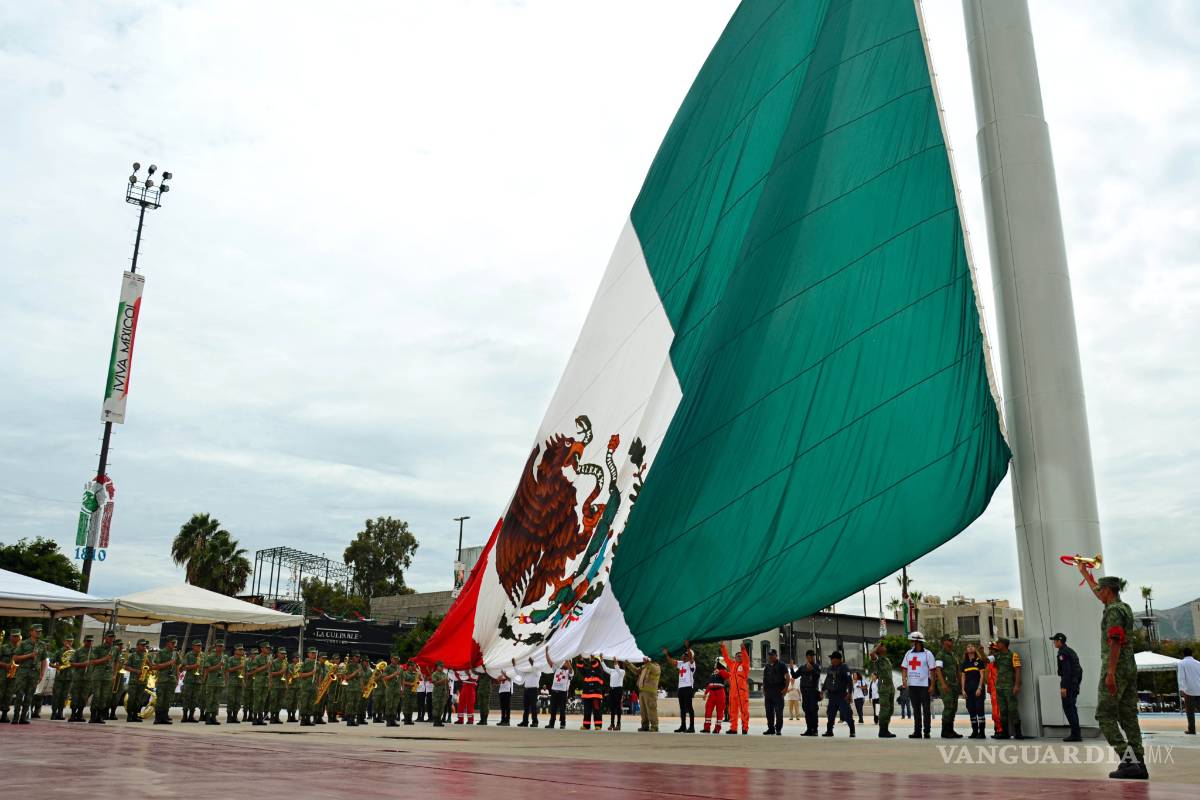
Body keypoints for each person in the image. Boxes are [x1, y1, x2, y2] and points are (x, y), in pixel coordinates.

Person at [1079, 568, 1147, 780]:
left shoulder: (1113, 612)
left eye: (1101, 589)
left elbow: (1115, 641)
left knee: (1105, 715)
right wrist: (1085, 574)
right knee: (1128, 716)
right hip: (1128, 667)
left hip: (1115, 666)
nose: (1098, 593)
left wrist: (1110, 672)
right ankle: (1139, 763)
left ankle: (1128, 760)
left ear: (1108, 590)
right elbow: (1097, 592)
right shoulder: (1124, 607)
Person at [901, 631, 936, 739]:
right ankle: (917, 731)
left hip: (925, 686)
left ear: (918, 641)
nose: (912, 643)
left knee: (926, 709)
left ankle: (927, 731)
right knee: (916, 709)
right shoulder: (909, 653)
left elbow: (933, 671)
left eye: (913, 641)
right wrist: (904, 679)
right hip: (913, 686)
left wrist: (932, 685)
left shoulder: (928, 654)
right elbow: (904, 668)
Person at [10, 623, 46, 725]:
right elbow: (15, 658)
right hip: (23, 672)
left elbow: (43, 660)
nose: (38, 633)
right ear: (31, 632)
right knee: (19, 694)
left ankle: (23, 717)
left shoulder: (42, 645)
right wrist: (29, 655)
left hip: (34, 673)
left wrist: (41, 674)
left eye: (40, 631)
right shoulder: (23, 643)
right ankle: (16, 717)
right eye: (36, 631)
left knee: (29, 696)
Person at [1051, 632, 1083, 741]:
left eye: (1055, 641)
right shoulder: (1070, 651)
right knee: (1071, 707)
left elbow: (1066, 671)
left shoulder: (1063, 653)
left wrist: (1064, 687)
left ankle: (1075, 734)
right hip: (1073, 683)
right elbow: (1078, 670)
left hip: (1068, 684)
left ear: (1060, 641)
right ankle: (1076, 733)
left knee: (1069, 708)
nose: (1054, 643)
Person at [991, 637, 1024, 740]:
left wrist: (1017, 685)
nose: (997, 645)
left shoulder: (1013, 655)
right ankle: (1005, 733)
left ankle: (1018, 733)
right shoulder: (997, 656)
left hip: (1009, 687)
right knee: (1003, 710)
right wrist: (981, 652)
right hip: (999, 687)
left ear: (1004, 644)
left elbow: (1018, 670)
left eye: (998, 643)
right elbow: (986, 660)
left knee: (1012, 709)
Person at [718, 640, 751, 734]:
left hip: (742, 692)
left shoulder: (745, 666)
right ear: (735, 658)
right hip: (733, 692)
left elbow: (746, 659)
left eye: (741, 656)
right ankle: (733, 728)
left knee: (744, 711)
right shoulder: (732, 665)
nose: (740, 657)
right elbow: (726, 657)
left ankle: (745, 728)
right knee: (732, 711)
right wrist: (722, 647)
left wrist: (743, 649)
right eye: (738, 656)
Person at [662, 643, 697, 733]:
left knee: (689, 707)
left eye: (685, 655)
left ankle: (692, 727)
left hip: (688, 687)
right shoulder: (681, 664)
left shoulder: (691, 664)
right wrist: (666, 654)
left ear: (689, 656)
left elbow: (691, 656)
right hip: (681, 688)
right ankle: (683, 726)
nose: (683, 656)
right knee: (682, 708)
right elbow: (671, 661)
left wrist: (688, 647)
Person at [821, 650, 855, 737]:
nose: (831, 660)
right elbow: (827, 680)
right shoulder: (830, 668)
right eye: (831, 659)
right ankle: (829, 731)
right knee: (830, 714)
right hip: (832, 695)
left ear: (838, 659)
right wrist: (822, 690)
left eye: (833, 659)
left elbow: (849, 681)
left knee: (846, 713)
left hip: (841, 695)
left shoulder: (844, 668)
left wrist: (850, 693)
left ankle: (852, 730)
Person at [935, 634, 962, 739]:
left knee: (953, 708)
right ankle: (945, 731)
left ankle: (951, 730)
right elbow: (938, 670)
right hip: (946, 685)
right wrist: (943, 684)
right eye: (949, 640)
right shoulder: (940, 655)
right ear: (944, 642)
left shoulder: (954, 655)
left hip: (954, 685)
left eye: (952, 640)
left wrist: (960, 684)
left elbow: (957, 671)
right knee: (948, 707)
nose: (951, 642)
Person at [960, 642, 987, 739]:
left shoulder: (979, 661)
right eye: (968, 646)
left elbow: (982, 676)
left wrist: (979, 688)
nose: (970, 647)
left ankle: (982, 732)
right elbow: (963, 677)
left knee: (979, 709)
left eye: (972, 646)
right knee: (971, 709)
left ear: (975, 649)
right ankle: (974, 731)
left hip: (977, 689)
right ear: (966, 650)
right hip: (968, 690)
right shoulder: (965, 663)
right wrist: (963, 690)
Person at [88, 630, 116, 724]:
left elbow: (116, 662)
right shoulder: (98, 648)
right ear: (105, 637)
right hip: (98, 675)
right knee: (97, 696)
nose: (111, 639)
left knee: (104, 697)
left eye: (113, 637)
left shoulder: (115, 649)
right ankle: (93, 716)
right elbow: (92, 661)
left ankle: (100, 716)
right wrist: (105, 658)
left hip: (108, 676)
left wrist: (114, 673)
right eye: (109, 637)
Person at [150, 635, 179, 725]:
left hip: (171, 680)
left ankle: (164, 717)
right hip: (162, 680)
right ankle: (158, 718)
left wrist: (177, 677)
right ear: (167, 643)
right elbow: (156, 666)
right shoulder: (161, 653)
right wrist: (168, 663)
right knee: (160, 699)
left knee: (168, 700)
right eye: (172, 643)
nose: (174, 645)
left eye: (175, 643)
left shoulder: (175, 653)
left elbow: (178, 666)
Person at [629, 655, 661, 732]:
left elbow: (654, 670)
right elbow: (636, 671)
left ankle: (654, 726)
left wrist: (648, 662)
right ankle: (645, 725)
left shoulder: (656, 667)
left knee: (651, 710)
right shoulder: (645, 667)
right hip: (642, 692)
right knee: (643, 711)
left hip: (650, 693)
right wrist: (628, 663)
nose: (644, 659)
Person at [870, 642, 896, 738]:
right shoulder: (878, 659)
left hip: (890, 687)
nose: (884, 647)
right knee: (884, 709)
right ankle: (882, 730)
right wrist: (877, 646)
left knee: (890, 710)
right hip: (884, 687)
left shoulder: (887, 660)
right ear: (878, 649)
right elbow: (872, 653)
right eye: (882, 646)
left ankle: (886, 729)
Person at [760, 648, 788, 735]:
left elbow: (787, 677)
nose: (770, 657)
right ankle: (771, 729)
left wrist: (786, 688)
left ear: (776, 656)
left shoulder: (782, 665)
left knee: (779, 712)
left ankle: (778, 729)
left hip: (778, 691)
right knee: (769, 712)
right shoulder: (767, 666)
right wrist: (764, 689)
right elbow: (764, 679)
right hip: (768, 692)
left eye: (772, 655)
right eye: (769, 655)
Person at [794, 650, 821, 736]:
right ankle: (809, 729)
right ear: (807, 657)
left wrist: (812, 669)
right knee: (807, 710)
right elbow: (795, 676)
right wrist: (791, 668)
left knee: (813, 711)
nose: (811, 658)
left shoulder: (816, 666)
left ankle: (815, 730)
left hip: (813, 691)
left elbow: (817, 676)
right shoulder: (802, 667)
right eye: (810, 656)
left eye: (813, 656)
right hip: (804, 692)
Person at [575, 654, 606, 731]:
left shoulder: (599, 670)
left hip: (596, 695)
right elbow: (580, 668)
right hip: (587, 695)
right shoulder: (588, 670)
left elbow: (596, 665)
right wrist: (580, 660)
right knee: (587, 711)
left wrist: (593, 659)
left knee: (597, 711)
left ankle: (598, 725)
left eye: (594, 660)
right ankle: (586, 725)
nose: (592, 661)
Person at [49, 633, 76, 721]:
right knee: (56, 695)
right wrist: (56, 666)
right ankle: (53, 713)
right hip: (60, 677)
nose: (69, 643)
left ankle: (60, 713)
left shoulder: (74, 652)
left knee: (64, 696)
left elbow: (76, 663)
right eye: (68, 641)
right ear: (64, 642)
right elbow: (50, 663)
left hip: (69, 677)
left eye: (71, 641)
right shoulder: (59, 652)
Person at [122, 638, 149, 722]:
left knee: (139, 699)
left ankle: (136, 715)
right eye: (142, 645)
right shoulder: (133, 656)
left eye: (144, 645)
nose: (144, 647)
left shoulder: (146, 656)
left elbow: (152, 666)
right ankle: (130, 716)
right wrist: (136, 671)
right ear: (137, 646)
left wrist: (149, 665)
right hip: (134, 681)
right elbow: (125, 666)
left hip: (142, 681)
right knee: (132, 699)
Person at [702, 657, 730, 733]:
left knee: (720, 711)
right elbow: (709, 684)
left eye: (716, 663)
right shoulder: (713, 673)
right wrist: (705, 693)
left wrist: (721, 672)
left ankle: (717, 728)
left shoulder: (722, 671)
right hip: (712, 693)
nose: (715, 664)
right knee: (708, 710)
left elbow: (729, 676)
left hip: (720, 692)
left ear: (719, 663)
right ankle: (706, 728)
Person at [201, 640, 226, 725]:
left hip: (220, 682)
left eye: (221, 646)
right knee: (209, 700)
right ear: (216, 647)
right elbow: (207, 669)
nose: (220, 648)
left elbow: (225, 670)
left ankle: (214, 717)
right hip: (211, 682)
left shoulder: (224, 657)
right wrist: (218, 666)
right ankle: (207, 717)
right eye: (218, 646)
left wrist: (225, 681)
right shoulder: (210, 657)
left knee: (216, 701)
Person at [544, 655, 572, 729]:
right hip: (554, 692)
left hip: (563, 693)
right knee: (553, 709)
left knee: (562, 709)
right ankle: (551, 724)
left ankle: (562, 724)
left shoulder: (569, 672)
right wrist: (546, 653)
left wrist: (567, 660)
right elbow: (550, 663)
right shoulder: (557, 669)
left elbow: (571, 670)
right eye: (564, 662)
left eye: (566, 662)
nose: (564, 663)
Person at [180, 639, 204, 723]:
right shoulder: (189, 655)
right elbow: (184, 667)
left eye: (200, 646)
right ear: (193, 646)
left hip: (198, 680)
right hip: (189, 680)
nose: (199, 647)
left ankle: (191, 716)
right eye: (197, 646)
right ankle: (184, 716)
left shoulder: (202, 655)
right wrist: (194, 666)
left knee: (195, 699)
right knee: (187, 698)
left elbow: (204, 668)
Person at [1179, 647, 1200, 736]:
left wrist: (1182, 689)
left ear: (1183, 654)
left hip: (1189, 691)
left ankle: (1192, 730)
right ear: (1192, 654)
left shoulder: (1181, 663)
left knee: (1190, 712)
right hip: (1199, 689)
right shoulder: (1198, 663)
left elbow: (1181, 677)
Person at [297, 647, 320, 726]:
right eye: (312, 653)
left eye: (314, 653)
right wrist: (311, 673)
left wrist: (318, 685)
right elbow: (300, 675)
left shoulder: (317, 663)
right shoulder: (304, 663)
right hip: (305, 687)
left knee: (311, 703)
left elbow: (318, 675)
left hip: (313, 687)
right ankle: (303, 719)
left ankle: (308, 719)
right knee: (304, 703)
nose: (313, 654)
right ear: (308, 654)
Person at [601, 656, 625, 731]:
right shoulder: (612, 671)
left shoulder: (622, 672)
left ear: (619, 664)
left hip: (618, 690)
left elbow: (617, 669)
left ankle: (618, 724)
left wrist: (616, 662)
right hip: (612, 690)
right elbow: (605, 669)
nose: (614, 664)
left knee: (618, 707)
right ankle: (612, 724)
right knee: (612, 707)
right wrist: (602, 660)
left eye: (617, 662)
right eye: (614, 662)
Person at [225, 644, 246, 723]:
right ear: (235, 651)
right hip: (232, 682)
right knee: (231, 700)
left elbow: (244, 671)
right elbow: (228, 670)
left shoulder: (243, 660)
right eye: (240, 650)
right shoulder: (231, 659)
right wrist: (239, 667)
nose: (242, 651)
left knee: (238, 701)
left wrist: (243, 680)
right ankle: (229, 717)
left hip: (240, 682)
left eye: (242, 650)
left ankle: (235, 716)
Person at [985, 642, 1002, 735]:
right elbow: (988, 675)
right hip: (992, 688)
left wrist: (980, 652)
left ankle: (1000, 729)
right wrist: (988, 687)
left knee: (997, 711)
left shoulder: (996, 659)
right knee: (995, 710)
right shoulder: (991, 661)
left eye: (992, 649)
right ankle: (997, 728)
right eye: (990, 649)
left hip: (998, 688)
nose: (990, 651)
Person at [430, 661, 449, 727]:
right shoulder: (434, 674)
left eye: (443, 666)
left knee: (441, 707)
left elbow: (447, 684)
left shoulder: (444, 674)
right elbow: (435, 683)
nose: (442, 667)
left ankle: (439, 720)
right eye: (441, 666)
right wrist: (443, 680)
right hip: (437, 693)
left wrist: (448, 693)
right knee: (436, 707)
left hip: (443, 693)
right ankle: (435, 721)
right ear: (437, 667)